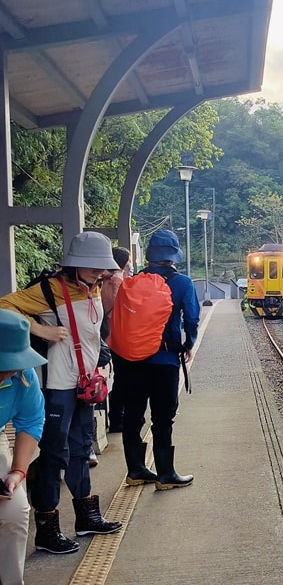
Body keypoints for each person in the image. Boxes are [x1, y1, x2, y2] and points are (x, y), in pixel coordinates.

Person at [0, 231, 122, 555]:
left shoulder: (94, 288)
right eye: (93, 267)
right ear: (75, 265)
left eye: (102, 268)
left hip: (85, 382)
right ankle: (47, 528)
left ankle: (87, 515)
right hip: (58, 384)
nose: (100, 273)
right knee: (54, 453)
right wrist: (40, 329)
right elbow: (4, 306)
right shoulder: (50, 289)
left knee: (82, 446)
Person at [117, 229, 199, 490]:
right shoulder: (182, 283)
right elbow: (192, 318)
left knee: (132, 414)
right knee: (163, 417)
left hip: (130, 360)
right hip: (164, 360)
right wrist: (189, 343)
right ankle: (165, 475)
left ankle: (136, 471)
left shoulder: (132, 282)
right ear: (173, 257)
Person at [0, 311, 46, 585]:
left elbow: (31, 422)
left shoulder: (23, 376)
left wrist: (17, 472)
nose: (12, 370)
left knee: (15, 509)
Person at [101, 246, 132, 433]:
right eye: (128, 261)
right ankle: (117, 418)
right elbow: (123, 305)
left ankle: (115, 416)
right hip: (117, 332)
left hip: (105, 329)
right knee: (123, 378)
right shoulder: (118, 280)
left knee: (118, 376)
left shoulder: (102, 279)